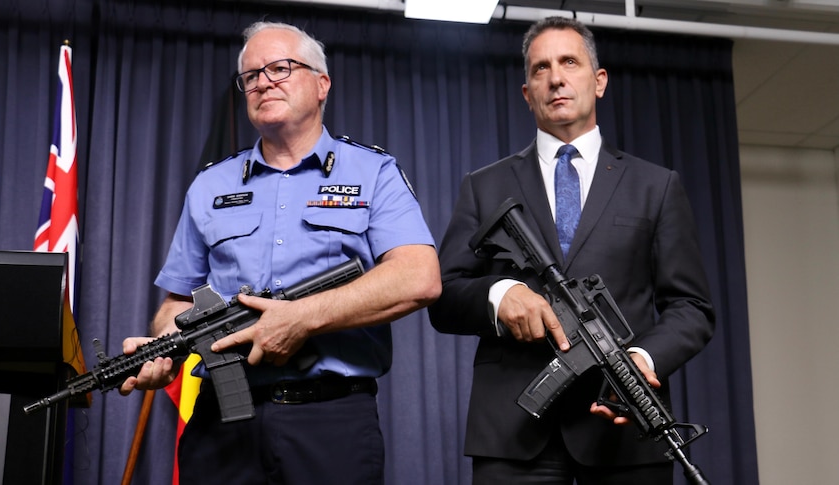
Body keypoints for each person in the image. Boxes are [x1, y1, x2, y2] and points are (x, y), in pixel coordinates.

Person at [119, 21, 441, 485]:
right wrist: (163, 347)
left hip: (330, 420)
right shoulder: (211, 185)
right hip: (222, 424)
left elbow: (419, 277)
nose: (264, 81)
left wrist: (303, 318)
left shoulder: (373, 173)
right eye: (250, 76)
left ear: (321, 84)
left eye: (281, 68)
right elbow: (179, 302)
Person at [428, 16, 714, 485]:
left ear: (598, 81)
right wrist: (501, 295)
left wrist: (643, 360)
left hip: (623, 430)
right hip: (513, 437)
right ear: (527, 92)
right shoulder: (485, 187)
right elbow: (444, 296)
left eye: (569, 62)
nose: (556, 77)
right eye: (540, 68)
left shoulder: (655, 186)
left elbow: (692, 307)